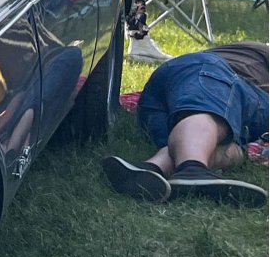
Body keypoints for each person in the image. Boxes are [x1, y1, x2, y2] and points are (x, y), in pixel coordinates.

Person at [102, 41, 268, 207]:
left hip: (169, 104)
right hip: (205, 74)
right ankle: (193, 169)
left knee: (223, 145)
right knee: (206, 113)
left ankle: (151, 169)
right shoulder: (258, 56)